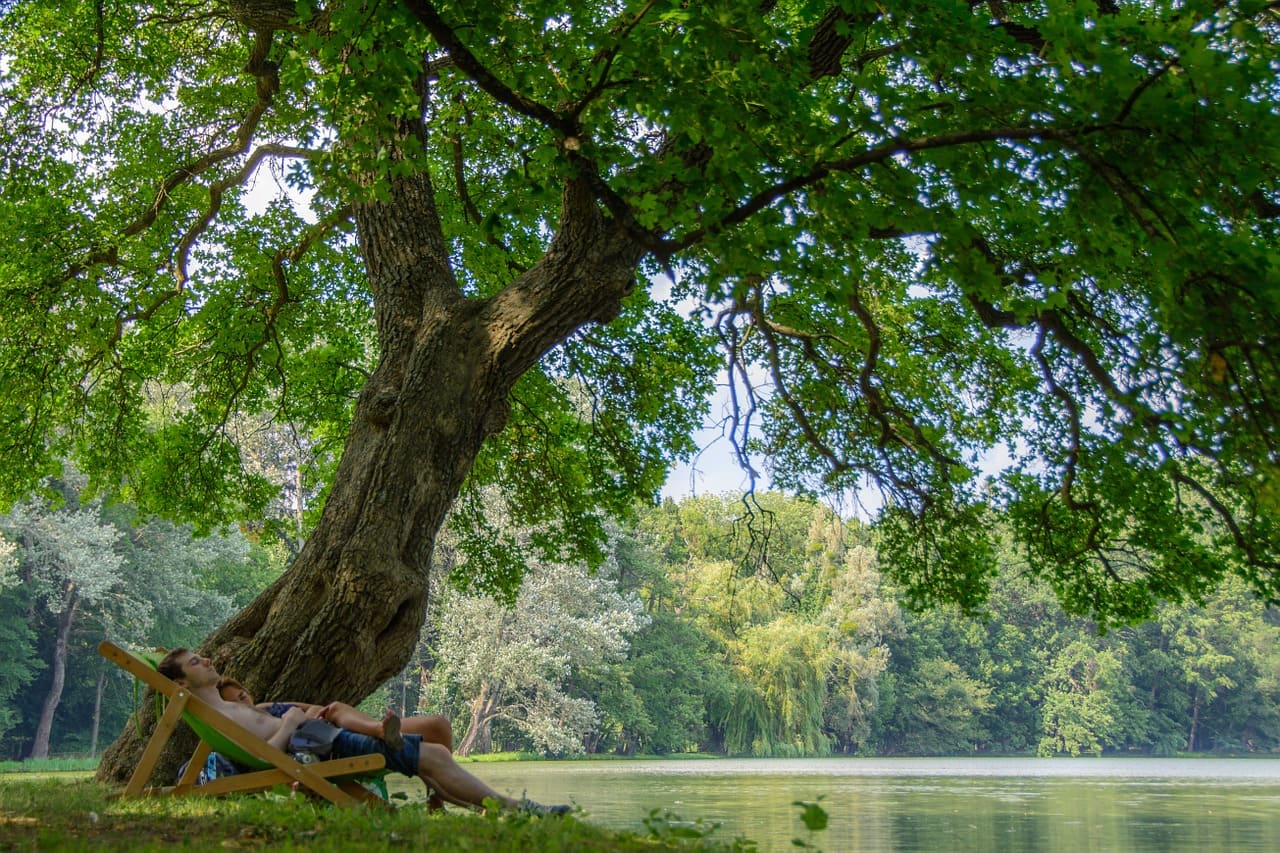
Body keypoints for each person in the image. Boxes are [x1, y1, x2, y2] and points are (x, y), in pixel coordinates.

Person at [159, 648, 568, 815]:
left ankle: (506, 807)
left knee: (432, 756)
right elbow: (267, 757)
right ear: (181, 684)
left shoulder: (229, 707)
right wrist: (288, 723)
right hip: (315, 746)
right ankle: (518, 810)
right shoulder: (217, 719)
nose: (208, 660)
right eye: (196, 662)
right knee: (436, 755)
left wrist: (291, 715)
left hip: (317, 736)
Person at [215, 677, 453, 754]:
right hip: (327, 740)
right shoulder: (242, 726)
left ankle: (437, 801)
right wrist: (301, 720)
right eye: (235, 700)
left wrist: (313, 714)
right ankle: (379, 730)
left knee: (439, 726)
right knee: (336, 707)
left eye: (242, 693)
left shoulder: (268, 706)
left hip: (339, 725)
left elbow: (315, 707)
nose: (242, 699)